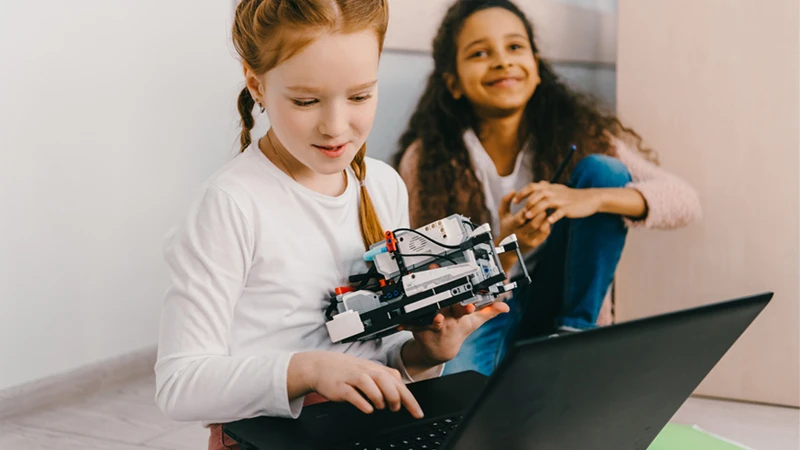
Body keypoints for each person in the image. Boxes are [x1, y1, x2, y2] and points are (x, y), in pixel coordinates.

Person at [154, 1, 508, 448]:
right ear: (256, 83)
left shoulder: (382, 185)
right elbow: (179, 385)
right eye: (306, 100)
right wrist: (309, 369)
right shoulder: (231, 204)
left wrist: (425, 354)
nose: (336, 126)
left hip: (371, 429)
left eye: (360, 96)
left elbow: (375, 356)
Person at [395, 0, 701, 376]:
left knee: (603, 171)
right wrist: (509, 249)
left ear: (536, 67)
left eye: (515, 47)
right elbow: (422, 276)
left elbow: (685, 200)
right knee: (455, 399)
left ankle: (578, 335)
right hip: (485, 313)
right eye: (480, 53)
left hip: (560, 311)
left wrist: (588, 199)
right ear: (453, 81)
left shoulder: (580, 135)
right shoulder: (425, 160)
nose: (502, 61)